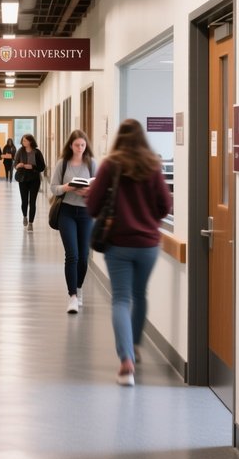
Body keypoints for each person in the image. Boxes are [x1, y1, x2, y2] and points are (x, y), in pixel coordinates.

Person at [87, 119, 171, 386]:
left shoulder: (111, 165)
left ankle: (126, 361)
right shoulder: (152, 164)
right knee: (139, 294)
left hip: (117, 244)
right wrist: (147, 221)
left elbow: (93, 206)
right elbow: (165, 205)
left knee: (121, 299)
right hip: (147, 245)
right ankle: (134, 346)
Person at [50, 130, 97, 314]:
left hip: (86, 213)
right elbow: (54, 188)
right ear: (70, 145)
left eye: (83, 145)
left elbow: (101, 188)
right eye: (76, 145)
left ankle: (78, 288)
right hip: (67, 212)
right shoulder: (63, 164)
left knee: (84, 257)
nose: (79, 148)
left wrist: (89, 191)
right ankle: (72, 297)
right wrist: (67, 187)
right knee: (72, 254)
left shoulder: (92, 164)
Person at [14, 133, 45, 232]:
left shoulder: (37, 152)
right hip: (23, 178)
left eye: (25, 141)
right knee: (24, 200)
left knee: (32, 201)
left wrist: (32, 167)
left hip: (34, 179)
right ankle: (24, 216)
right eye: (23, 141)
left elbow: (42, 167)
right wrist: (18, 165)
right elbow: (15, 164)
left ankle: (31, 222)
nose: (23, 142)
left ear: (30, 141)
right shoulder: (20, 151)